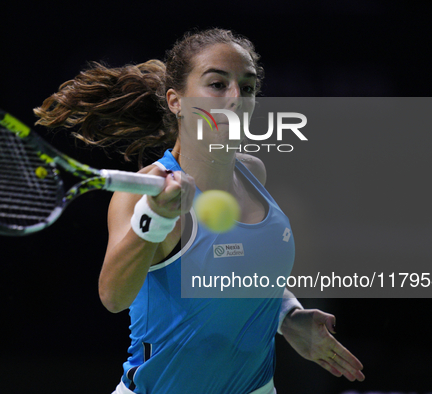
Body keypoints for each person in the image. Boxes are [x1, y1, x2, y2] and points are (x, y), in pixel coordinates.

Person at [34, 28, 365, 394]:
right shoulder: (143, 193)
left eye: (248, 87)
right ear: (176, 101)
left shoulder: (252, 171)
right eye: (217, 84)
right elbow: (113, 297)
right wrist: (157, 219)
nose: (236, 98)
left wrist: (286, 315)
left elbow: (244, 266)